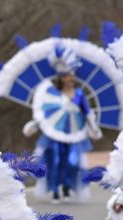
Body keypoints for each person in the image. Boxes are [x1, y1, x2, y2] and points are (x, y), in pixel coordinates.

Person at [24, 45, 102, 203]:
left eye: (71, 75)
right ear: (61, 78)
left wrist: (94, 128)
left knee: (72, 162)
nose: (70, 78)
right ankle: (54, 191)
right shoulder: (52, 94)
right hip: (55, 136)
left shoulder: (79, 94)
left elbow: (87, 112)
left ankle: (67, 187)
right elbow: (45, 114)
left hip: (74, 134)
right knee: (55, 161)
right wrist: (34, 124)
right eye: (66, 76)